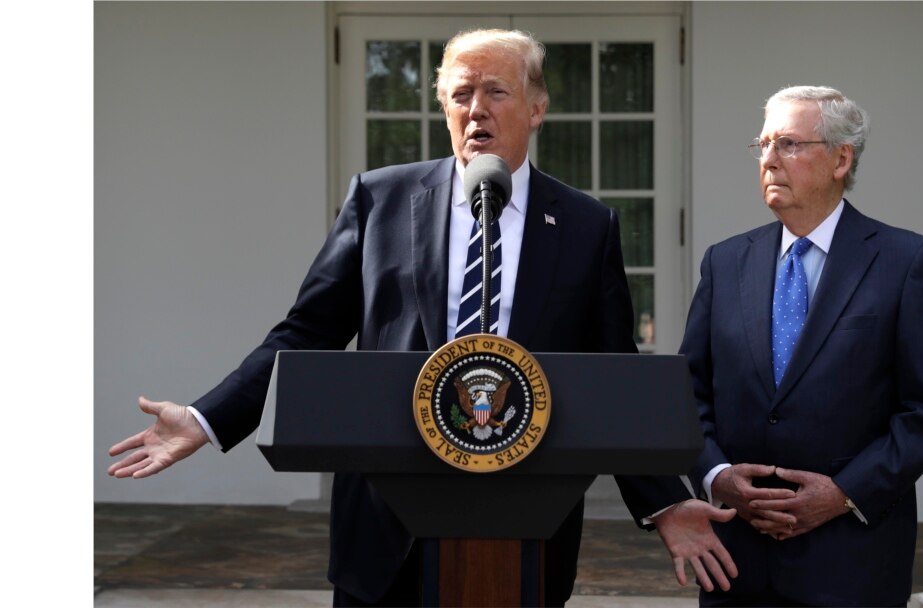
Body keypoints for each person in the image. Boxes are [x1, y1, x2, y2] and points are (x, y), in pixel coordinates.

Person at [107, 28, 736, 607]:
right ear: (444, 109)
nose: (476, 109)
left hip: (527, 520)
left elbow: (613, 376)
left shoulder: (584, 224)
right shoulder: (380, 199)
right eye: (460, 94)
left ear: (537, 108)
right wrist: (207, 417)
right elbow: (308, 331)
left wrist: (666, 503)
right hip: (387, 518)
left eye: (496, 91)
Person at [679, 85, 923, 607]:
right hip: (738, 559)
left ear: (840, 158)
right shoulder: (725, 263)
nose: (767, 160)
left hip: (852, 560)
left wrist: (842, 494)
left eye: (787, 144)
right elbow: (687, 394)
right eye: (761, 145)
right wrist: (717, 476)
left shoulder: (905, 262)